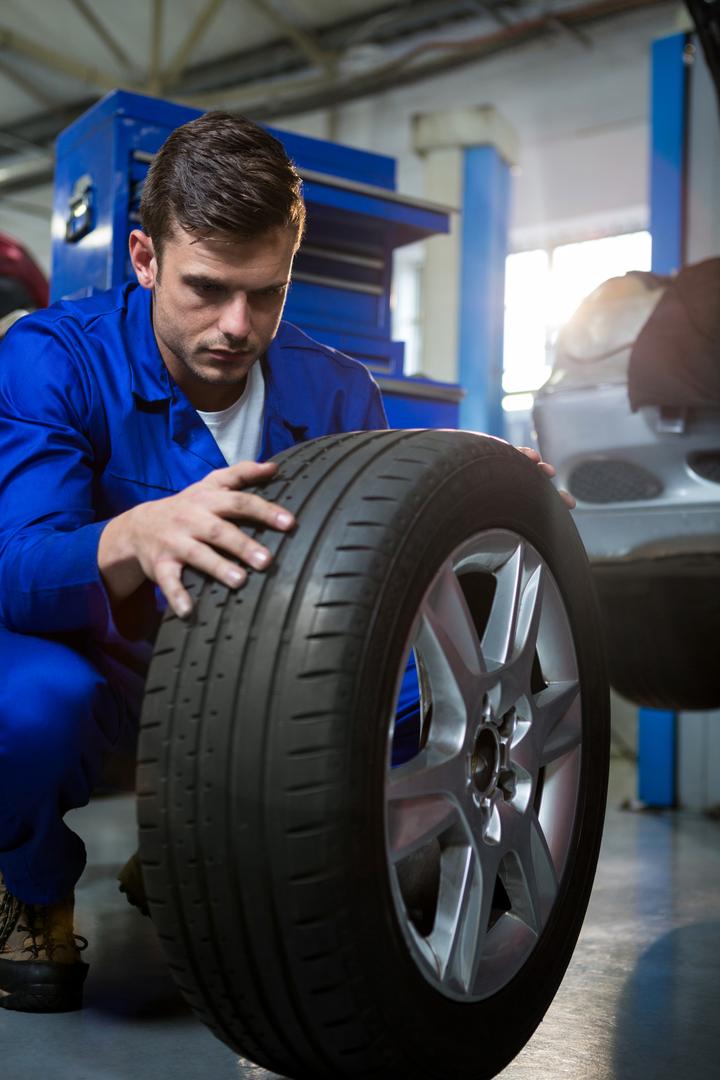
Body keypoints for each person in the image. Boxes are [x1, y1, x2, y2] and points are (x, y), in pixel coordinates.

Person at [0, 110, 565, 1014]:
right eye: (207, 288)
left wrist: (478, 484)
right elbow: (16, 574)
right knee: (31, 709)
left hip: (248, 686)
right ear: (142, 258)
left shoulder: (337, 387)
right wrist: (131, 535)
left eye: (267, 292)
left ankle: (198, 851)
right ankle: (28, 887)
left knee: (420, 701)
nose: (238, 325)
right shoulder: (50, 359)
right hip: (100, 666)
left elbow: (387, 563)